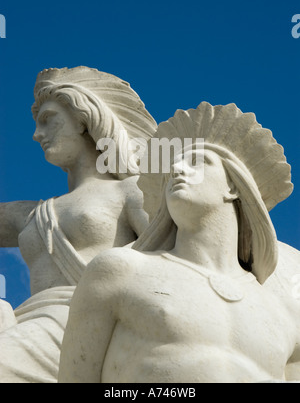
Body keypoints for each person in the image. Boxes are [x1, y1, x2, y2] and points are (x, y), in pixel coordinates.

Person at [59, 102, 300, 383]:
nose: (177, 168)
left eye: (197, 161)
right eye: (174, 164)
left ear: (233, 187)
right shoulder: (121, 271)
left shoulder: (282, 311)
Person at [0, 66, 157, 383]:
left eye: (48, 119)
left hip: (90, 325)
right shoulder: (31, 214)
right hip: (28, 323)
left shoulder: (131, 191)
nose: (36, 134)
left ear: (85, 120)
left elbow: (173, 259)